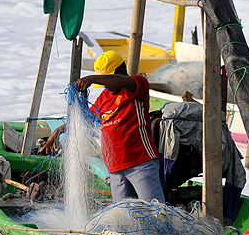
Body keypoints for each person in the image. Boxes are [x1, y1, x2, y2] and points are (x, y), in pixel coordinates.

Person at [40, 50, 165, 203]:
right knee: (123, 215)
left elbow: (123, 81)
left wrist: (92, 77)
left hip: (140, 162)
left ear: (122, 72)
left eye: (107, 80)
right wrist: (58, 131)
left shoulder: (136, 85)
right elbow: (86, 118)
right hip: (115, 168)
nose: (106, 86)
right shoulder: (104, 97)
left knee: (156, 211)